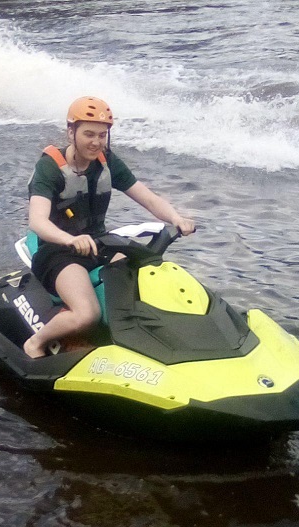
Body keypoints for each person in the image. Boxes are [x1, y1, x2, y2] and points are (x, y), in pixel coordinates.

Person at [23, 96, 195, 358]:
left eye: (102, 135)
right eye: (89, 134)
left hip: (99, 244)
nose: (96, 142)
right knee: (87, 314)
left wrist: (176, 218)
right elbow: (37, 221)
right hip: (57, 252)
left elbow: (147, 197)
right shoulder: (50, 167)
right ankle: (35, 343)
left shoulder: (106, 161)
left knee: (144, 273)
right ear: (71, 132)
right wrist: (70, 240)